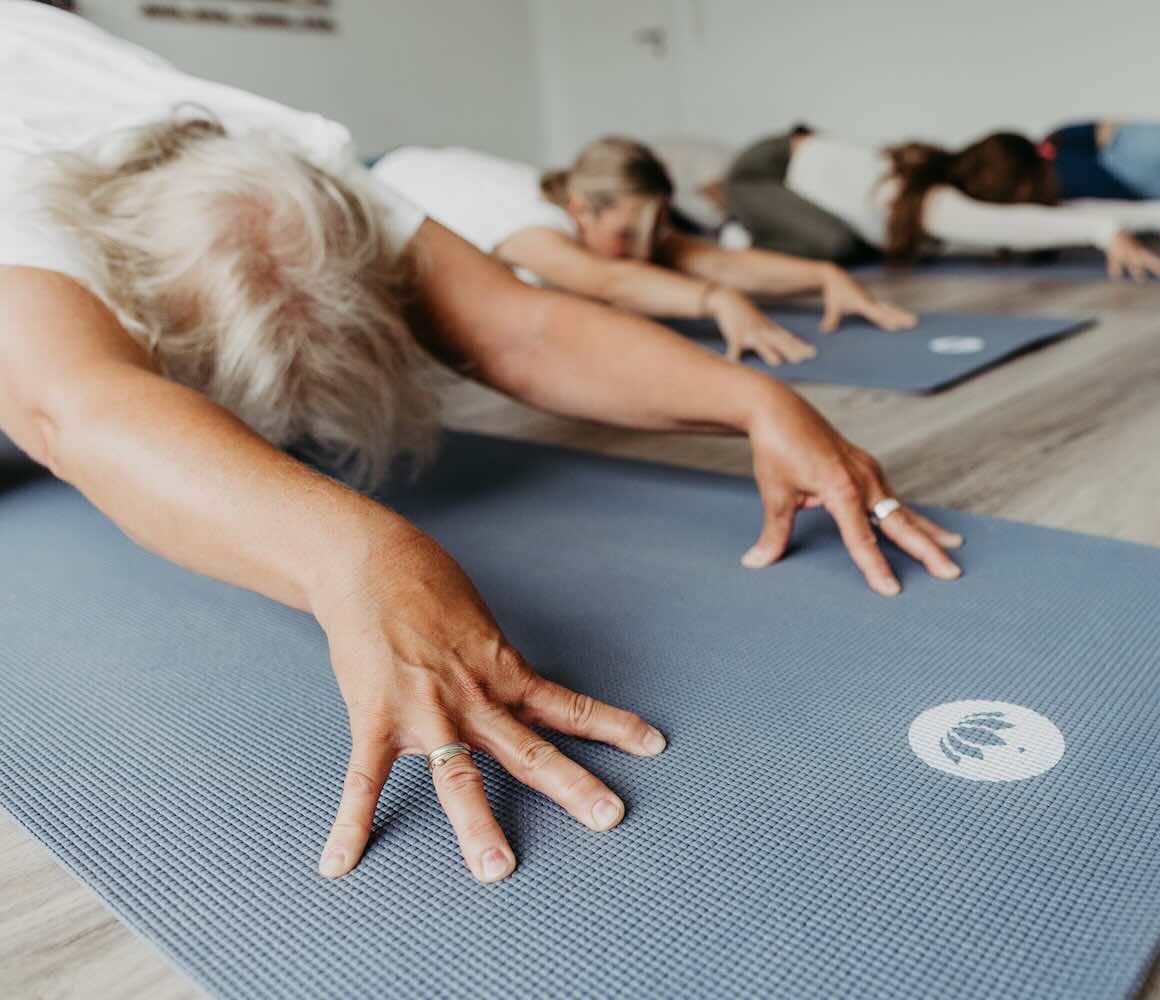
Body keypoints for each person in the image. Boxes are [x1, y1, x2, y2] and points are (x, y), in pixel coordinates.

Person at [0, 1, 963, 885]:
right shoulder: (28, 219)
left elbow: (523, 330)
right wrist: (358, 559)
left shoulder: (305, 168)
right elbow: (74, 412)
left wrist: (752, 400)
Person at [371, 139, 916, 368]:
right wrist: (717, 301)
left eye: (655, 228)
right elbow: (605, 281)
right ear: (582, 210)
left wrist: (823, 275)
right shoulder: (531, 225)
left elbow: (709, 258)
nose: (646, 248)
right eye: (631, 231)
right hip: (376, 177)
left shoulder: (604, 214)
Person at [723, 127, 1160, 281]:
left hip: (796, 166)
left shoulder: (942, 192)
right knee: (836, 246)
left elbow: (1050, 215)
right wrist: (1104, 232)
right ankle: (736, 231)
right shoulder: (937, 203)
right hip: (764, 170)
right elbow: (1020, 227)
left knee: (851, 243)